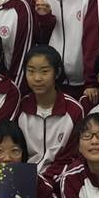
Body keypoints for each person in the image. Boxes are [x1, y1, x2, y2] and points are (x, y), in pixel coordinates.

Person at [15, 44, 84, 178]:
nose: (37, 78)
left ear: (57, 73)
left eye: (44, 71)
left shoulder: (74, 110)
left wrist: (44, 181)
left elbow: (72, 157)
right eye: (31, 71)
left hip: (60, 177)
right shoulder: (20, 107)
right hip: (23, 176)